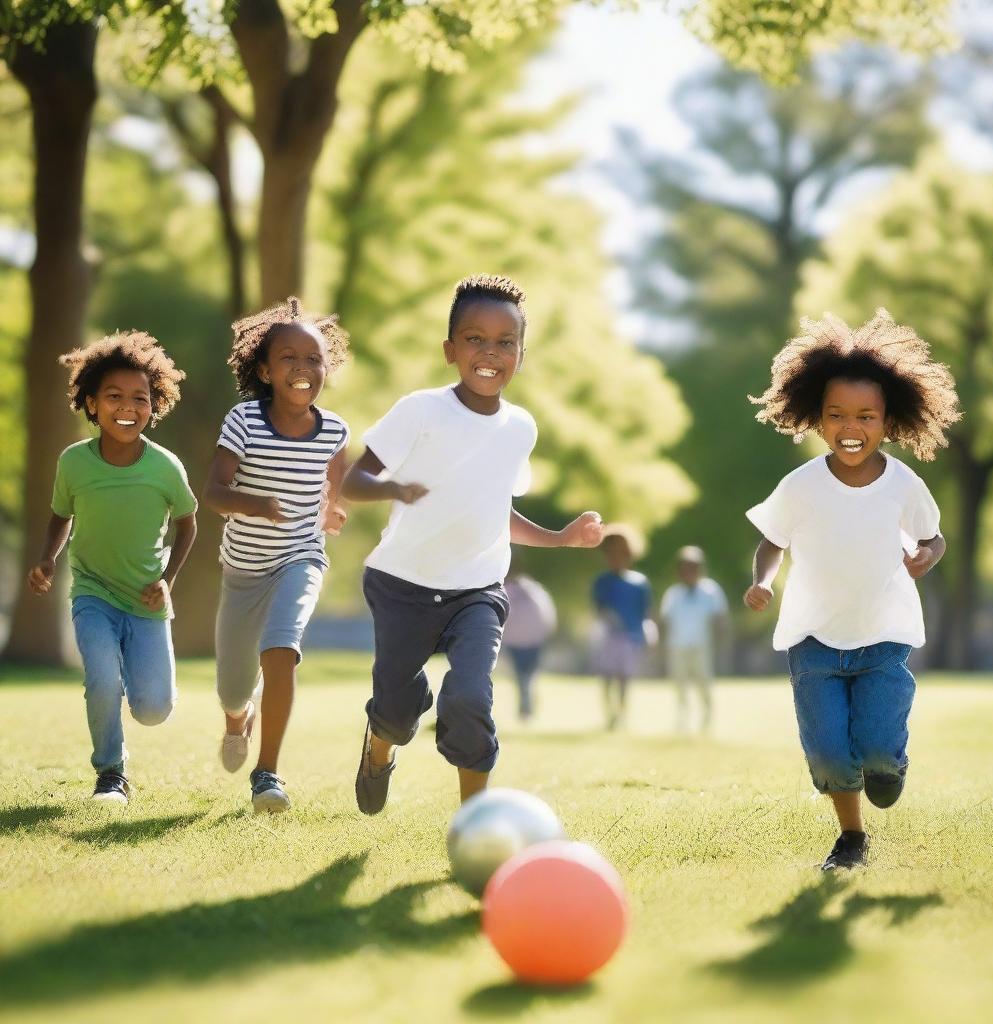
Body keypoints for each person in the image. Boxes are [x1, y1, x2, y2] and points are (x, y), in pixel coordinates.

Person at [341, 274, 603, 814]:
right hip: (401, 586)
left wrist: (559, 538)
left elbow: (495, 510)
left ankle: (473, 821)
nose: (490, 352)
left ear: (521, 355)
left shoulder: (520, 428)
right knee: (394, 708)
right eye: (475, 339)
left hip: (478, 591)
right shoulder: (420, 410)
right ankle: (379, 747)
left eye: (505, 342)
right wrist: (391, 486)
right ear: (450, 350)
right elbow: (352, 482)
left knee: (469, 697)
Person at [743, 308, 960, 871]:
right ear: (816, 417)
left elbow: (935, 538)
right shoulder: (801, 485)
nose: (850, 426)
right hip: (813, 640)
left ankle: (889, 768)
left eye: (865, 416)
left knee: (879, 751)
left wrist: (924, 558)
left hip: (883, 639)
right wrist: (763, 582)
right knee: (830, 755)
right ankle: (851, 839)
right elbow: (772, 541)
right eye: (836, 414)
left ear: (888, 421)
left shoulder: (903, 484)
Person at [27, 332, 197, 804]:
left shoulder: (165, 467)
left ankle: (130, 679)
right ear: (92, 404)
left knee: (153, 709)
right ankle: (111, 773)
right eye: (114, 397)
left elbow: (188, 526)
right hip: (93, 592)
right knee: (101, 678)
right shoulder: (74, 463)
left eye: (140, 399)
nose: (128, 407)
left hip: (145, 599)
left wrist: (167, 581)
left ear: (154, 405)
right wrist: (47, 557)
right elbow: (61, 515)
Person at [203, 297, 350, 814]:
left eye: (313, 359)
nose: (303, 368)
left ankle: (267, 775)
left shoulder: (333, 431)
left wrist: (332, 513)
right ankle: (237, 717)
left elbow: (335, 489)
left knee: (282, 648)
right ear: (264, 370)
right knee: (233, 686)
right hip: (243, 568)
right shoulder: (244, 419)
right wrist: (256, 504)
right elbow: (214, 493)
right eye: (289, 358)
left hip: (301, 556)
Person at [659, 545, 728, 733]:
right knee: (680, 686)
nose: (690, 571)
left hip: (701, 647)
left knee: (704, 684)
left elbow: (720, 619)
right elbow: (665, 621)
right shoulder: (673, 594)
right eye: (686, 567)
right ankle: (682, 722)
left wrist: (721, 644)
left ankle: (707, 721)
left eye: (694, 566)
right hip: (677, 647)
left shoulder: (711, 591)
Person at [592, 524, 652, 730]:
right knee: (607, 676)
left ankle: (622, 713)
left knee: (624, 678)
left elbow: (644, 612)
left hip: (631, 637)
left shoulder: (639, 582)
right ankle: (610, 714)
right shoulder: (602, 581)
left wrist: (647, 634)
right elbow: (599, 607)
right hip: (609, 636)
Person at [502, 567, 557, 722]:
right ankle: (527, 705)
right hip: (530, 640)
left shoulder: (512, 590)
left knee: (523, 676)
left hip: (521, 641)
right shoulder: (535, 591)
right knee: (526, 676)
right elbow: (547, 614)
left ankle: (526, 706)